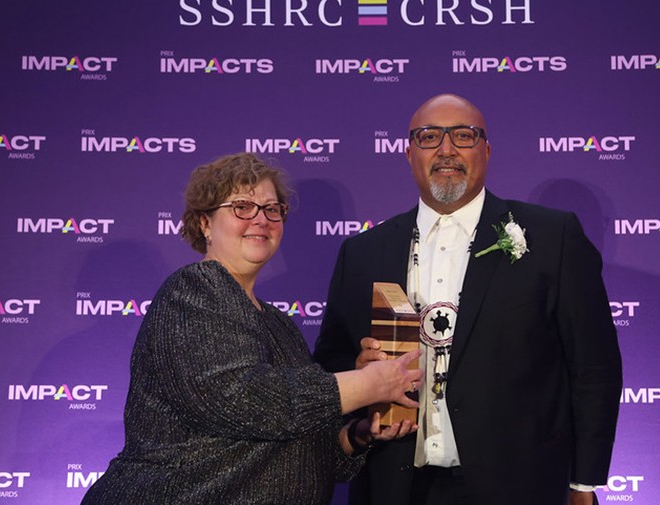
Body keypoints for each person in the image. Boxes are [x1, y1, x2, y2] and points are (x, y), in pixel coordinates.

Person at [313, 94, 623, 505]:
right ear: (408, 153)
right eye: (429, 137)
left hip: (520, 485)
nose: (446, 149)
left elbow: (594, 367)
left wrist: (582, 482)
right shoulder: (362, 252)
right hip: (394, 483)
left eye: (463, 135)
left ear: (486, 150)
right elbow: (329, 365)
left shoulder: (552, 238)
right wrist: (358, 371)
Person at [82, 153, 422, 505]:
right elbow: (244, 400)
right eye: (242, 207)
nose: (261, 219)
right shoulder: (194, 290)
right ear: (205, 223)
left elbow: (297, 439)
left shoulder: (279, 324)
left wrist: (356, 434)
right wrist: (367, 384)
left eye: (272, 209)